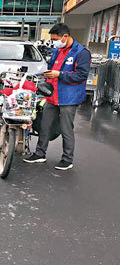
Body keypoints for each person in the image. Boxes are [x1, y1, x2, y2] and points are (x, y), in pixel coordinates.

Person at [23, 23, 90, 170]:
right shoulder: (58, 50)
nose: (53, 42)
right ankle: (40, 153)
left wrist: (59, 74)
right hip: (52, 95)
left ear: (65, 36)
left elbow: (81, 75)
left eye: (55, 39)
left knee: (66, 129)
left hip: (69, 98)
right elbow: (51, 68)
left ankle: (67, 159)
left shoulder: (81, 52)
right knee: (44, 125)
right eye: (52, 40)